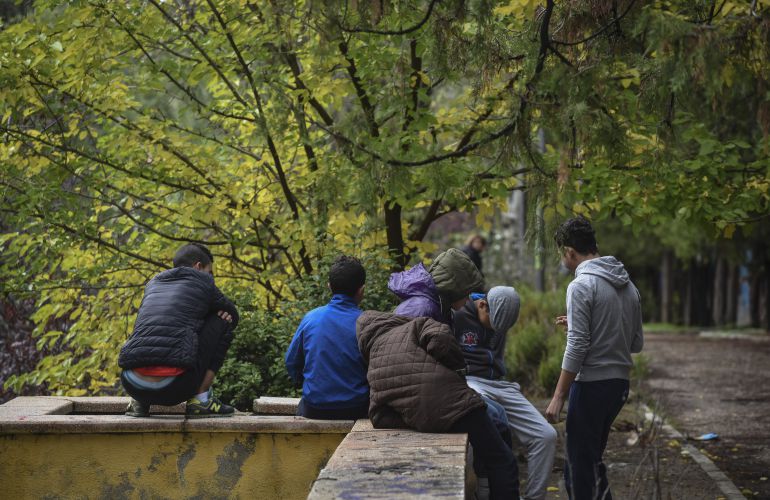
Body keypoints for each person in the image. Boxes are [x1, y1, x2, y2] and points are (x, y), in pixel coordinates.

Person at [357, 311, 520, 500]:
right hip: (458, 403)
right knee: (502, 460)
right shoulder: (413, 326)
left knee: (493, 442)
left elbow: (378, 417)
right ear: (387, 319)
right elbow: (440, 336)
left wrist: (414, 417)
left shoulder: (374, 366)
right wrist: (455, 370)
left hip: (429, 420)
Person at [545, 217, 644, 500]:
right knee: (590, 463)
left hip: (590, 387)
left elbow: (577, 346)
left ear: (570, 253)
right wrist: (590, 324)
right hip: (618, 387)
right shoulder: (629, 286)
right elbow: (635, 343)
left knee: (578, 472)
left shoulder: (581, 286)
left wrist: (558, 396)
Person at [454, 286, 557, 500]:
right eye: (493, 324)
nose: (496, 331)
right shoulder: (458, 314)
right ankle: (481, 490)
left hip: (499, 383)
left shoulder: (501, 317)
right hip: (469, 381)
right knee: (481, 420)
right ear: (483, 305)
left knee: (546, 436)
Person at [119, 243, 239, 418]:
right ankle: (202, 401)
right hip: (174, 387)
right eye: (210, 272)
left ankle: (138, 403)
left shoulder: (153, 283)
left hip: (131, 383)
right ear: (198, 267)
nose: (211, 278)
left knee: (151, 326)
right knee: (223, 319)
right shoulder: (202, 281)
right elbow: (233, 315)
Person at [285, 255, 369, 420]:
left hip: (315, 408)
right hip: (357, 408)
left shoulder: (311, 318)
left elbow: (291, 362)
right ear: (362, 290)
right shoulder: (368, 323)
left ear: (329, 286)